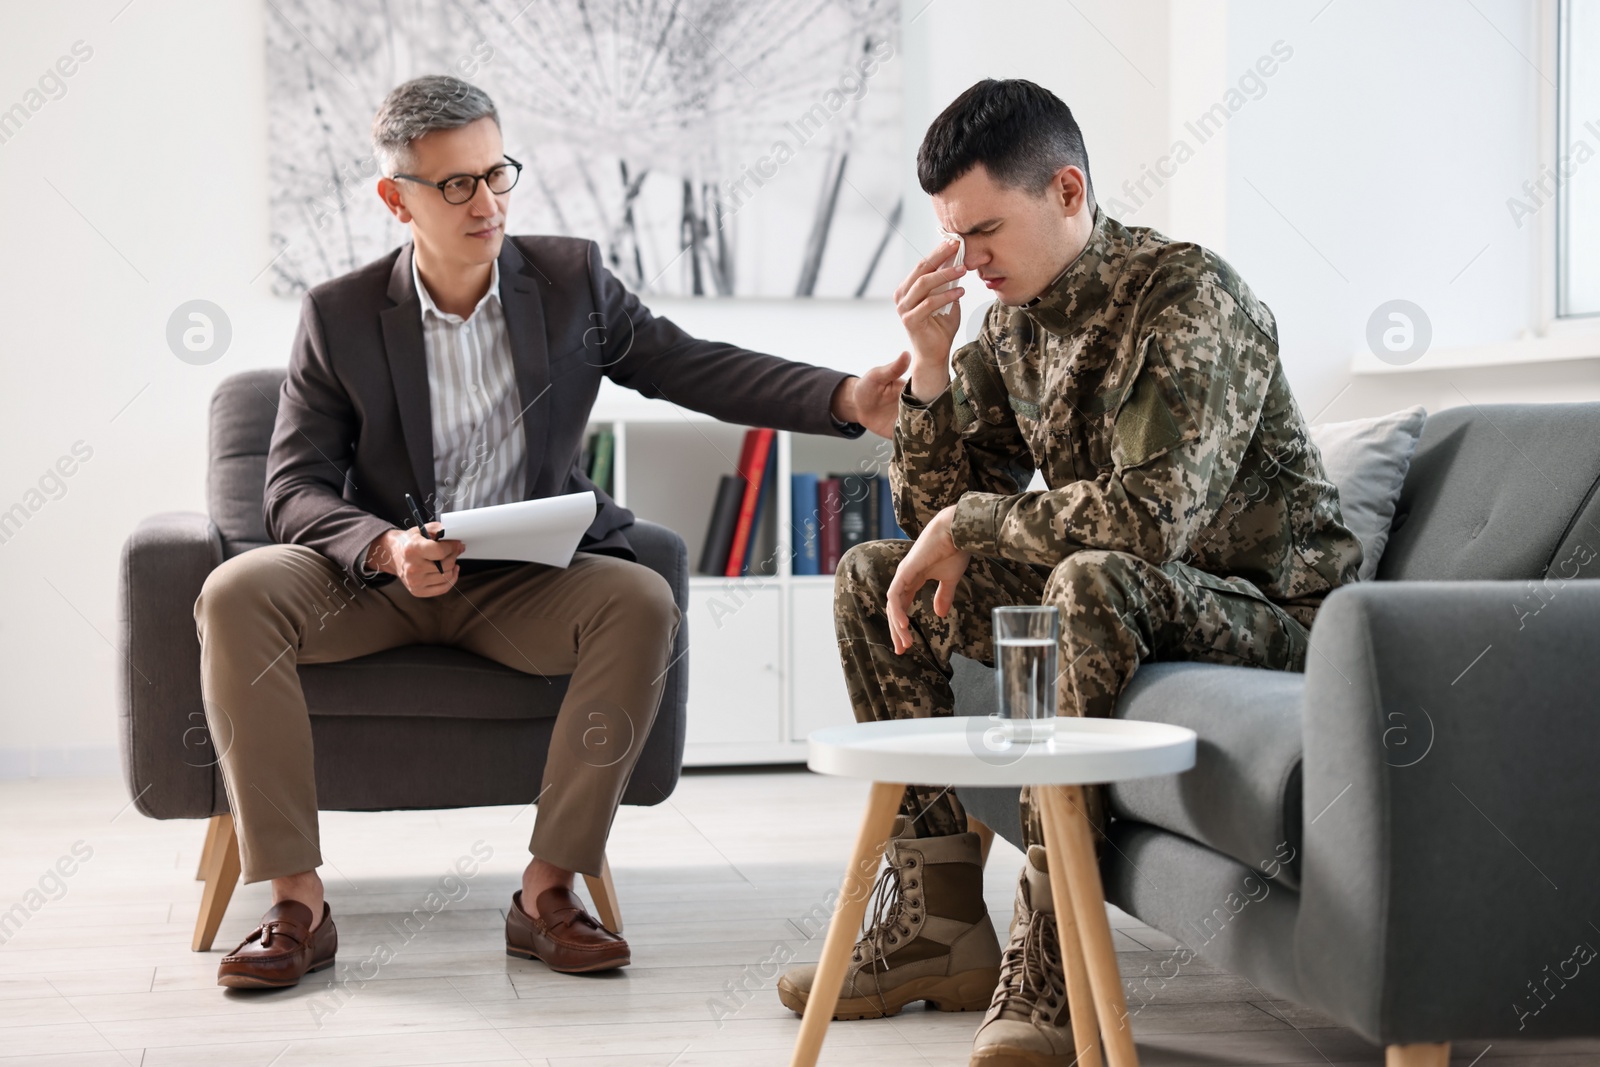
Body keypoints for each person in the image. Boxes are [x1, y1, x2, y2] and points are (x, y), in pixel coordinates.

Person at [196, 74, 908, 989]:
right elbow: (290, 488)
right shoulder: (338, 315)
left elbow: (691, 366)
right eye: (456, 184)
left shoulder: (571, 283)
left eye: (497, 174)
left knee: (641, 598)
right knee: (234, 591)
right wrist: (386, 547)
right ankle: (297, 905)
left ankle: (547, 892)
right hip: (376, 582)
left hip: (521, 585)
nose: (487, 202)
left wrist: (845, 396)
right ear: (395, 198)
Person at [777, 78, 1363, 1066]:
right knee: (873, 572)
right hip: (1134, 591)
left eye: (985, 232)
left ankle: (1052, 954)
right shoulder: (1009, 325)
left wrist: (973, 517)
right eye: (954, 237)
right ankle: (935, 926)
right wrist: (927, 369)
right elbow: (935, 532)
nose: (969, 262)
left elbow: (1154, 521)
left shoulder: (1188, 296)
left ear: (1065, 189)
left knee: (1089, 581)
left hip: (1275, 613)